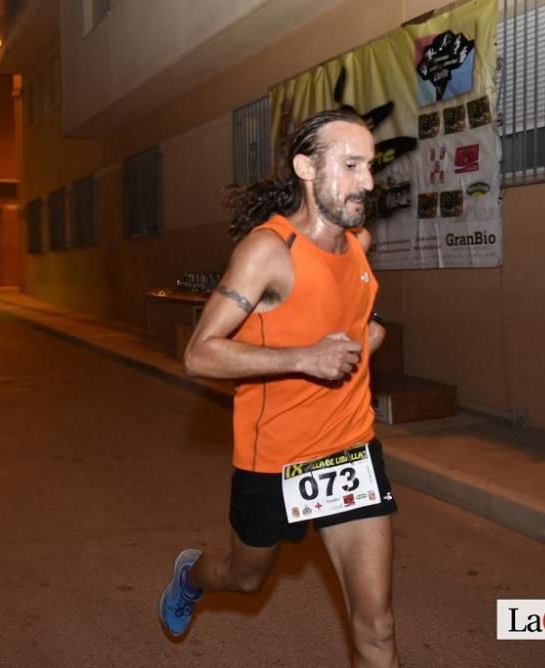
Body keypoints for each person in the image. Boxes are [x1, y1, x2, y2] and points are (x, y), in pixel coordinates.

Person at [159, 109, 399, 667]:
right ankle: (192, 574)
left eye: (370, 166)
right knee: (245, 578)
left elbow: (343, 326)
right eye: (351, 165)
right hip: (277, 461)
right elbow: (200, 353)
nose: (368, 180)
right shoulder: (269, 251)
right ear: (306, 169)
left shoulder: (359, 242)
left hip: (349, 450)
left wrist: (366, 338)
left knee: (378, 626)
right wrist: (305, 359)